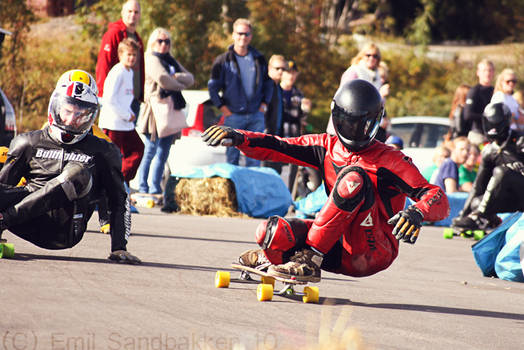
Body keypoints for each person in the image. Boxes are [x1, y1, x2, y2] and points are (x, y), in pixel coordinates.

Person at [202, 79, 449, 282]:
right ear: (337, 118)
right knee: (271, 231)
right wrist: (239, 137)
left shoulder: (391, 160)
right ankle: (279, 259)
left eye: (362, 125)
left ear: (374, 122)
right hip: (336, 245)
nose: (355, 131)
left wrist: (417, 212)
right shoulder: (326, 146)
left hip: (373, 250)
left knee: (354, 178)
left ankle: (309, 259)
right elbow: (277, 145)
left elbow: (436, 196)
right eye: (348, 123)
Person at [0, 70, 140, 264]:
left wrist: (119, 248)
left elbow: (119, 200)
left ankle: (2, 221)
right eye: (68, 110)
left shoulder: (104, 151)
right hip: (26, 219)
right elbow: (3, 189)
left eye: (80, 114)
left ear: (91, 116)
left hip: (63, 229)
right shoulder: (27, 142)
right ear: (56, 107)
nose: (72, 119)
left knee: (78, 173)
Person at [136, 27, 194, 196]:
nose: (163, 45)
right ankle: (142, 186)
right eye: (160, 41)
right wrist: (178, 82)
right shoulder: (151, 59)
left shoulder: (170, 60)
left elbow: (191, 78)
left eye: (167, 41)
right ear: (153, 42)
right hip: (154, 110)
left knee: (163, 152)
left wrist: (176, 79)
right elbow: (163, 79)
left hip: (171, 109)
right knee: (150, 149)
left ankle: (155, 187)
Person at [207, 18, 273, 166]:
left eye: (246, 34)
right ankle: (234, 189)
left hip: (256, 115)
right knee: (232, 159)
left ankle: (251, 189)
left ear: (251, 36)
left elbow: (268, 84)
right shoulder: (222, 60)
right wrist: (223, 109)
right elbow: (212, 87)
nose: (243, 37)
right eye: (240, 33)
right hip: (233, 116)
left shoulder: (259, 58)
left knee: (255, 158)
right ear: (233, 35)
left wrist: (264, 105)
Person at [452, 102, 524, 231]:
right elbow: (478, 186)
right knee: (476, 202)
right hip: (510, 199)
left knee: (501, 171)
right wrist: (463, 216)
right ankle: (491, 221)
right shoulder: (489, 151)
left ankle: (479, 216)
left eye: (496, 122)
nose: (493, 127)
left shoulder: (520, 140)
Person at [98, 38, 144, 185]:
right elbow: (109, 99)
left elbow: (125, 98)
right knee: (112, 158)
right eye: (128, 54)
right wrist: (126, 115)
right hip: (114, 123)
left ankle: (120, 180)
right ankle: (112, 184)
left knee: (138, 149)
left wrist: (130, 114)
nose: (131, 58)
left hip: (125, 123)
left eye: (134, 55)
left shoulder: (129, 72)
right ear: (121, 55)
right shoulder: (117, 72)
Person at [327, 43, 388, 135]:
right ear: (362, 56)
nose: (371, 58)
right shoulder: (354, 72)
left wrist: (381, 97)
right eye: (368, 55)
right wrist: (380, 94)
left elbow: (375, 105)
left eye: (375, 56)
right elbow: (343, 99)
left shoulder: (378, 78)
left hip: (362, 129)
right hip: (344, 124)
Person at [96, 0, 145, 104]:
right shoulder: (114, 33)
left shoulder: (137, 38)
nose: (133, 15)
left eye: (136, 12)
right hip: (117, 100)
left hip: (134, 99)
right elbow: (104, 64)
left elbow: (140, 68)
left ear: (140, 15)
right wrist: (102, 94)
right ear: (123, 13)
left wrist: (141, 94)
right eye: (130, 11)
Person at [280, 60, 312, 191]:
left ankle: (289, 200)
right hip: (277, 134)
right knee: (275, 168)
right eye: (288, 72)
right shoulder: (275, 91)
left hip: (293, 138)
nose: (291, 76)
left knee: (292, 171)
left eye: (293, 73)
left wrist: (305, 110)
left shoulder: (299, 95)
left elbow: (302, 119)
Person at [261, 54, 287, 174]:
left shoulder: (279, 88)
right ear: (270, 68)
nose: (281, 71)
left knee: (275, 173)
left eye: (283, 68)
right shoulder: (265, 85)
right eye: (277, 68)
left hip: (276, 138)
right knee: (265, 173)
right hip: (265, 136)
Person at [463, 59, 495, 146]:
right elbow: (467, 115)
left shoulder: (495, 91)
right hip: (478, 135)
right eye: (484, 70)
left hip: (493, 136)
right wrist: (488, 118)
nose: (487, 73)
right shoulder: (474, 91)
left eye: (490, 70)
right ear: (478, 72)